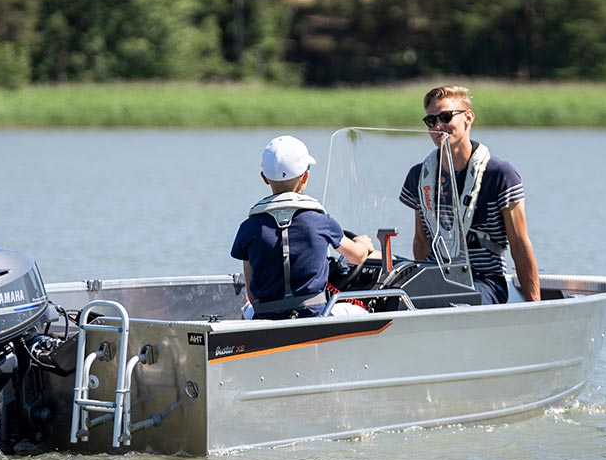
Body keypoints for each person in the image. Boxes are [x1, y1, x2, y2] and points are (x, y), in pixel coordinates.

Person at [399, 85, 540, 304]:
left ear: (468, 118)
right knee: (389, 298)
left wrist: (535, 307)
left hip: (485, 281)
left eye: (445, 117)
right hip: (436, 276)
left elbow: (520, 245)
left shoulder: (500, 174)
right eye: (431, 121)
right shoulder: (418, 175)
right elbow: (421, 241)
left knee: (452, 300)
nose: (438, 126)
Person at [231, 135, 375, 320]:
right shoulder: (320, 220)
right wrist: (362, 242)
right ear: (306, 175)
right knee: (364, 311)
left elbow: (252, 294)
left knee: (246, 310)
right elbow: (357, 256)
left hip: (266, 319)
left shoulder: (249, 227)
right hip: (314, 315)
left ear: (264, 178)